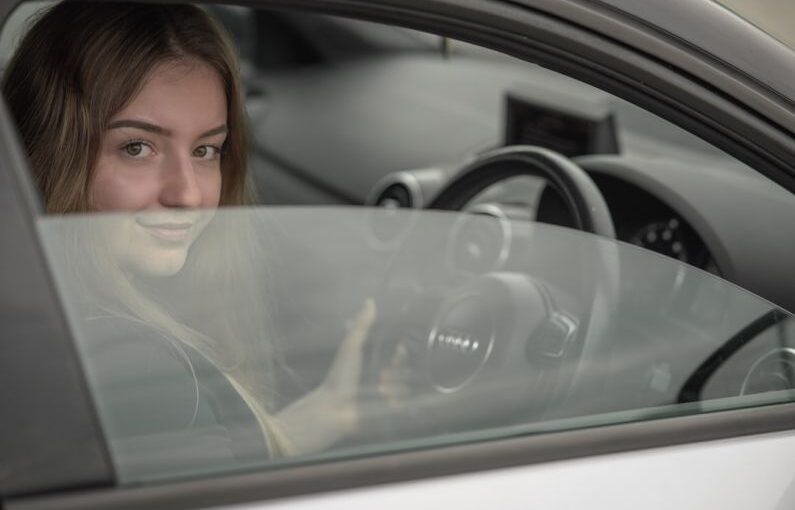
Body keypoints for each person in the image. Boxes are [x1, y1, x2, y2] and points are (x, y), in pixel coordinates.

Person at [2, 1, 376, 463]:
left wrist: (328, 413)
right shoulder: (133, 369)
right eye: (137, 148)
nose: (189, 195)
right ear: (53, 153)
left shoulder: (50, 325)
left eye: (206, 150)